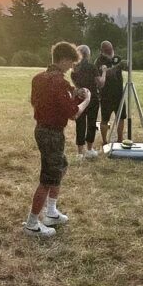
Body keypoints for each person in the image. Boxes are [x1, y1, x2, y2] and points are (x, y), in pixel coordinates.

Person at [24, 42, 91, 237]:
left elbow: (42, 101)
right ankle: (32, 223)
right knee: (48, 177)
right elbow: (72, 113)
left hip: (42, 129)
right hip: (52, 133)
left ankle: (51, 212)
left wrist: (73, 94)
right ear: (63, 60)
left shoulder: (39, 78)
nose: (72, 67)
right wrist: (86, 99)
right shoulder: (59, 82)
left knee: (61, 166)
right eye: (71, 63)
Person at [71, 45, 105, 159]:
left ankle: (80, 153)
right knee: (91, 123)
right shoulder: (92, 67)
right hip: (93, 98)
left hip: (80, 97)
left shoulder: (74, 69)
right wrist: (104, 72)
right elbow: (100, 83)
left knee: (80, 124)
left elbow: (76, 85)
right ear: (88, 54)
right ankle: (90, 149)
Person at [95, 41, 125, 148]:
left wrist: (127, 64)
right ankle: (104, 141)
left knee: (121, 117)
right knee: (105, 119)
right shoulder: (99, 61)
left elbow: (123, 67)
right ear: (102, 51)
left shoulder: (117, 58)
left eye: (111, 49)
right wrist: (117, 67)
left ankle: (120, 139)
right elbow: (105, 72)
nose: (110, 52)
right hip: (106, 94)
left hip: (119, 93)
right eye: (107, 50)